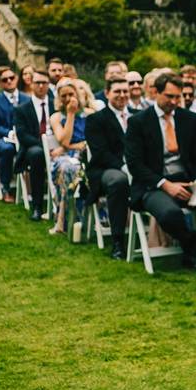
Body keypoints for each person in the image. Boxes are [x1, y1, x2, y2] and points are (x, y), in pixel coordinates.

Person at [124, 73, 196, 269]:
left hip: (188, 182)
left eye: (177, 97)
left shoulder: (190, 119)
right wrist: (165, 185)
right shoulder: (138, 122)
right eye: (169, 96)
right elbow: (135, 164)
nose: (174, 101)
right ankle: (192, 247)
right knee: (170, 214)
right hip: (152, 185)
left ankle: (195, 248)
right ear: (155, 93)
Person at [84, 76, 132, 260]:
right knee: (119, 182)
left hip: (137, 167)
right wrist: (123, 167)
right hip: (105, 169)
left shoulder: (137, 114)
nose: (122, 95)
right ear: (107, 94)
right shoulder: (96, 119)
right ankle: (118, 241)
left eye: (125, 91)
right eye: (117, 91)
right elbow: (100, 153)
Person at [14, 69, 55, 221]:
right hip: (33, 147)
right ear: (31, 84)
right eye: (37, 82)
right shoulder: (22, 109)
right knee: (37, 155)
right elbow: (22, 135)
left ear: (48, 85)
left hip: (56, 147)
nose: (41, 86)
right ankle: (37, 206)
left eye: (44, 83)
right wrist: (45, 147)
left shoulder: (55, 105)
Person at [47, 80, 87, 235]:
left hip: (87, 154)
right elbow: (64, 140)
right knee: (68, 168)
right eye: (64, 96)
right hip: (65, 157)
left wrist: (73, 145)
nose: (68, 98)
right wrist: (70, 114)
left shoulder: (89, 114)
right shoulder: (57, 117)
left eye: (71, 94)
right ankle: (65, 218)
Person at [0, 66, 30, 203]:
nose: (9, 81)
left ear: (17, 79)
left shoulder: (27, 99)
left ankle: (33, 187)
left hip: (24, 137)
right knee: (8, 148)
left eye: (12, 78)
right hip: (1, 139)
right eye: (5, 80)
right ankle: (5, 187)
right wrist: (10, 133)